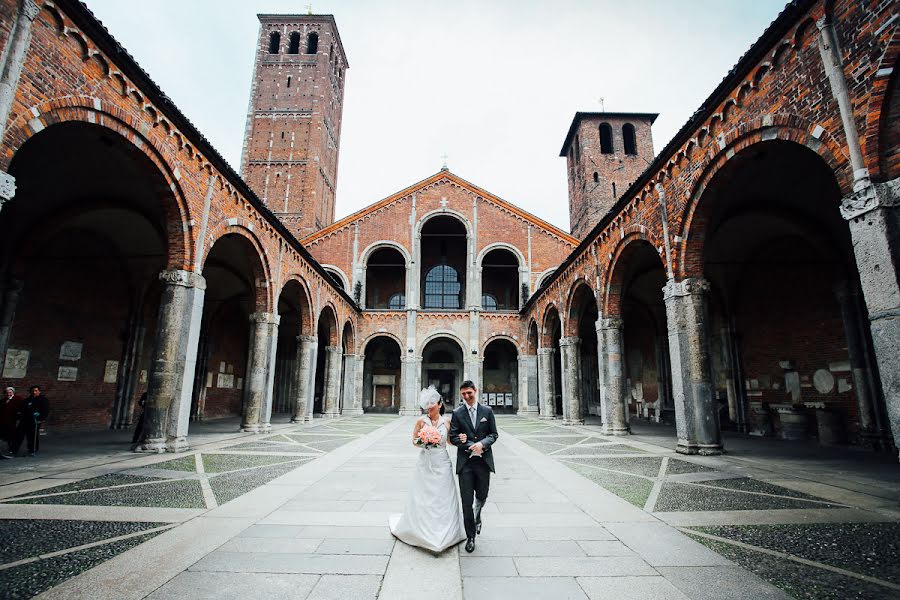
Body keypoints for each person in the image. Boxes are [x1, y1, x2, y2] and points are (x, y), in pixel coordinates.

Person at [389, 386, 466, 553]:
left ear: (440, 405)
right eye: (427, 403)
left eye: (433, 403)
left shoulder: (447, 422)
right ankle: (420, 529)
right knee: (423, 494)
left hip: (442, 462)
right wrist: (425, 441)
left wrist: (460, 438)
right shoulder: (421, 422)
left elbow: (451, 442)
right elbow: (414, 441)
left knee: (443, 494)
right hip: (425, 461)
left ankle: (445, 529)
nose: (430, 406)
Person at [449, 380, 498, 553]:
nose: (467, 396)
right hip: (466, 463)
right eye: (463, 394)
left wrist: (483, 444)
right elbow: (453, 436)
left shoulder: (487, 411)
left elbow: (494, 434)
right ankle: (470, 537)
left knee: (482, 495)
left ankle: (478, 515)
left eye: (469, 393)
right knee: (466, 501)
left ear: (475, 391)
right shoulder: (457, 413)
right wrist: (468, 444)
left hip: (483, 462)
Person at [13, 385, 49, 457]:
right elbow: (22, 409)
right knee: (18, 435)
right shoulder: (27, 400)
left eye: (36, 391)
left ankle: (32, 450)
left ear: (39, 391)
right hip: (24, 420)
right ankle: (13, 450)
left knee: (32, 436)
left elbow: (45, 411)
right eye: (32, 391)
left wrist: (41, 419)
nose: (34, 392)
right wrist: (19, 416)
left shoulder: (43, 400)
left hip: (35, 421)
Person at [0, 386, 22, 458]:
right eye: (7, 392)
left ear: (13, 392)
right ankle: (8, 451)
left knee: (12, 436)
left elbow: (20, 410)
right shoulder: (3, 400)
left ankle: (12, 451)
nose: (8, 394)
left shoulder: (18, 399)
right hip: (4, 422)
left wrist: (18, 418)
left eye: (10, 392)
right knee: (6, 436)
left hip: (12, 421)